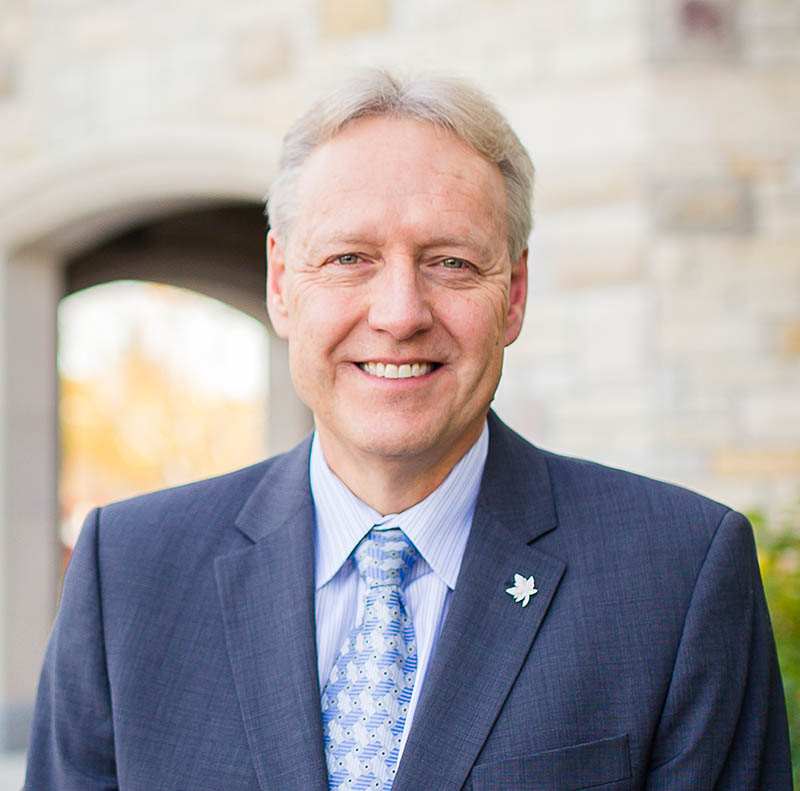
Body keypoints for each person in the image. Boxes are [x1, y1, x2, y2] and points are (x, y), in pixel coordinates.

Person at [25, 69, 791, 791]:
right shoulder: (127, 574)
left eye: (451, 263)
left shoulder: (677, 574)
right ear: (282, 283)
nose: (399, 313)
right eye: (351, 257)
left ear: (514, 293)